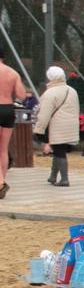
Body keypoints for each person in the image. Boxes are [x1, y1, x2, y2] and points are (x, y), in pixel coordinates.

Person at [33, 66, 80, 187]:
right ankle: (53, 176)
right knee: (58, 150)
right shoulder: (72, 91)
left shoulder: (50, 93)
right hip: (71, 126)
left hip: (57, 126)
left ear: (50, 77)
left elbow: (44, 114)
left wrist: (39, 129)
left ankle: (64, 179)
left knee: (59, 152)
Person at [0, 45, 26, 199]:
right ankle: (3, 179)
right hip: (8, 109)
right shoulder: (13, 73)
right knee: (3, 149)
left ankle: (1, 182)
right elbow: (22, 95)